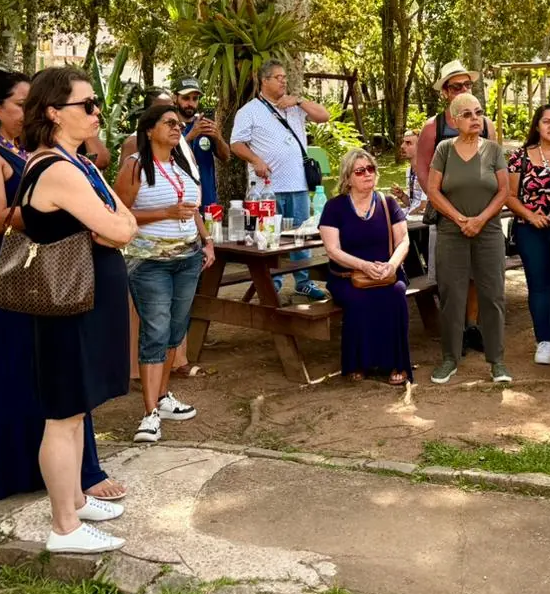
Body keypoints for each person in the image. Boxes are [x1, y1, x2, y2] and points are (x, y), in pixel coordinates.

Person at [0, 70, 123, 501]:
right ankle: (11, 472)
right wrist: (66, 210)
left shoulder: (32, 152)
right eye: (20, 104)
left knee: (52, 369)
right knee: (9, 365)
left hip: (49, 264)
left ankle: (71, 474)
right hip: (3, 268)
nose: (28, 112)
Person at [20, 68, 138, 553]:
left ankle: (74, 500)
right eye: (86, 105)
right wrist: (113, 223)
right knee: (64, 414)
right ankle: (64, 526)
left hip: (82, 301)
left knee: (74, 410)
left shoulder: (78, 163)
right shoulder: (60, 169)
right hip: (67, 305)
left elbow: (123, 220)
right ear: (53, 112)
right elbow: (122, 229)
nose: (96, 112)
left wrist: (114, 222)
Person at [114, 102, 214, 444]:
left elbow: (193, 209)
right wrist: (165, 213)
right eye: (168, 122)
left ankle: (162, 397)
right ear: (149, 129)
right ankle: (149, 414)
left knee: (175, 329)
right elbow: (120, 213)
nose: (176, 127)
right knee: (155, 331)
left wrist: (207, 241)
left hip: (188, 258)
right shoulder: (135, 165)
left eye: (178, 124)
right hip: (150, 262)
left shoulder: (182, 162)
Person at [426, 92, 510, 384]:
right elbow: (433, 191)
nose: (475, 118)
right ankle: (450, 359)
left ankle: (497, 362)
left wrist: (480, 219)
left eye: (478, 112)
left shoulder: (493, 150)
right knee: (452, 295)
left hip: (488, 231)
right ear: (454, 120)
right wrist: (460, 219)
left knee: (493, 294)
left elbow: (504, 191)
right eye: (467, 114)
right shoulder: (444, 149)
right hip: (452, 232)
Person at [230, 60, 329, 303]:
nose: (284, 81)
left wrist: (299, 101)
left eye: (285, 77)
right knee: (269, 237)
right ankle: (271, 284)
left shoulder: (295, 106)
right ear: (264, 81)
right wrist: (255, 160)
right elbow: (236, 144)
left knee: (301, 236)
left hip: (298, 185)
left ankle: (303, 283)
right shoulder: (249, 111)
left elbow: (323, 116)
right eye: (278, 77)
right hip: (266, 189)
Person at [415, 61, 497, 352]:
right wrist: (441, 202)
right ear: (445, 92)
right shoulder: (433, 127)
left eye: (467, 85)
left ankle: (472, 326)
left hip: (480, 214)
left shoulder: (486, 125)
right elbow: (422, 168)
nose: (462, 90)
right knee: (450, 276)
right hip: (446, 214)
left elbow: (495, 166)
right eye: (455, 86)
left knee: (476, 273)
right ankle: (454, 330)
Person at [318, 149, 413, 386]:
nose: (367, 174)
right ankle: (359, 362)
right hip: (347, 275)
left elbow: (403, 241)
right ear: (348, 178)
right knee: (358, 298)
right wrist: (363, 266)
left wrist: (392, 266)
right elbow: (332, 250)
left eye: (370, 169)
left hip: (387, 274)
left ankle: (397, 363)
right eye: (360, 171)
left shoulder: (388, 203)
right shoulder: (334, 207)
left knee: (395, 294)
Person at [506, 105, 550, 365]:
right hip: (530, 228)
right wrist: (531, 215)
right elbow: (509, 196)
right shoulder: (520, 157)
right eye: (547, 121)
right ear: (537, 126)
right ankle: (543, 339)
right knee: (539, 283)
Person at [174, 77, 230, 210]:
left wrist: (217, 137)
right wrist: (191, 135)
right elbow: (168, 154)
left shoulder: (204, 124)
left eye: (195, 99)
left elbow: (226, 157)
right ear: (175, 98)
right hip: (181, 202)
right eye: (186, 98)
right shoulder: (171, 124)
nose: (191, 103)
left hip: (208, 200)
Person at [392, 129, 426, 214]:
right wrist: (402, 196)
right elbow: (413, 203)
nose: (402, 146)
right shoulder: (409, 171)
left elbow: (424, 206)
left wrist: (405, 217)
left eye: (408, 143)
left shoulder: (427, 171)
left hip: (421, 218)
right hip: (412, 214)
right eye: (403, 142)